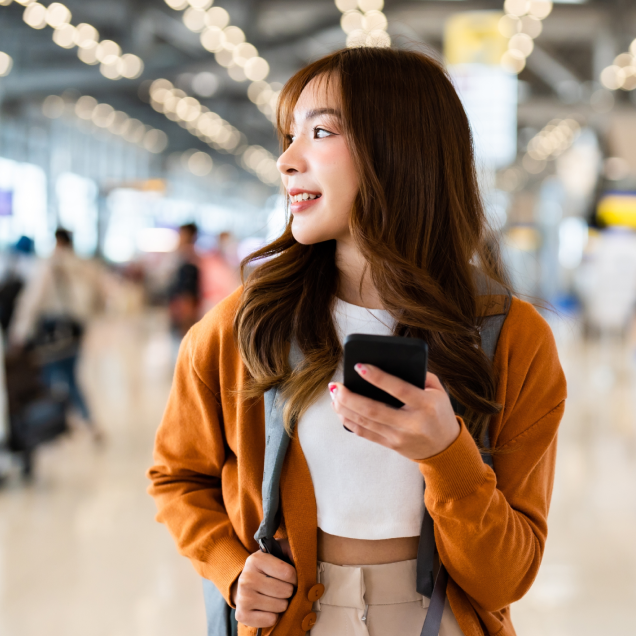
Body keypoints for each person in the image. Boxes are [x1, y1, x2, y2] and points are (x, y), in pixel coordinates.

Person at [148, 48, 566, 636]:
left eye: (319, 132)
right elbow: (177, 476)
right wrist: (231, 568)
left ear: (400, 149)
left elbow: (505, 579)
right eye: (289, 137)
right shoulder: (244, 327)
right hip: (296, 620)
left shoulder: (512, 339)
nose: (287, 160)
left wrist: (447, 454)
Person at [9, 228, 104, 442]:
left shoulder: (50, 266)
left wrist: (19, 332)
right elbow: (98, 297)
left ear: (56, 241)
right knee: (71, 377)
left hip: (53, 329)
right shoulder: (85, 265)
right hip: (76, 329)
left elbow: (33, 299)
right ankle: (86, 422)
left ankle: (54, 424)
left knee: (49, 379)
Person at [167, 222, 201, 338]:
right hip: (178, 304)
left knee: (184, 338)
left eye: (182, 234)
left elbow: (189, 290)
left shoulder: (190, 259)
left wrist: (186, 310)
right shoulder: (180, 255)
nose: (180, 237)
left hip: (184, 306)